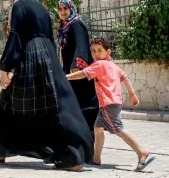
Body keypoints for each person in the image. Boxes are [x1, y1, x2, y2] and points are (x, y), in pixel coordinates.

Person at [0, 0, 94, 172]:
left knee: (6, 104)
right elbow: (50, 37)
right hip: (48, 59)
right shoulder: (42, 8)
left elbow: (16, 36)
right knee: (51, 107)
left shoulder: (19, 6)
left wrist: (6, 66)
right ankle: (71, 157)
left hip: (29, 58)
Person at [66, 37, 155, 172]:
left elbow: (82, 74)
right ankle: (96, 159)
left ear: (108, 52)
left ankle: (141, 152)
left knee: (118, 129)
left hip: (108, 103)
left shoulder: (99, 64)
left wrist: (65, 77)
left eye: (99, 51)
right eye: (93, 51)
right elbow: (124, 78)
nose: (96, 54)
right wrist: (132, 94)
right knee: (98, 129)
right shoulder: (113, 65)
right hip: (113, 103)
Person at [57, 0, 99, 137]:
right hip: (70, 70)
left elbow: (82, 45)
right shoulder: (65, 25)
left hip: (79, 71)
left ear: (71, 9)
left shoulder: (76, 24)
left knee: (84, 103)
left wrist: (77, 64)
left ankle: (89, 138)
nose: (63, 12)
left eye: (65, 9)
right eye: (60, 9)